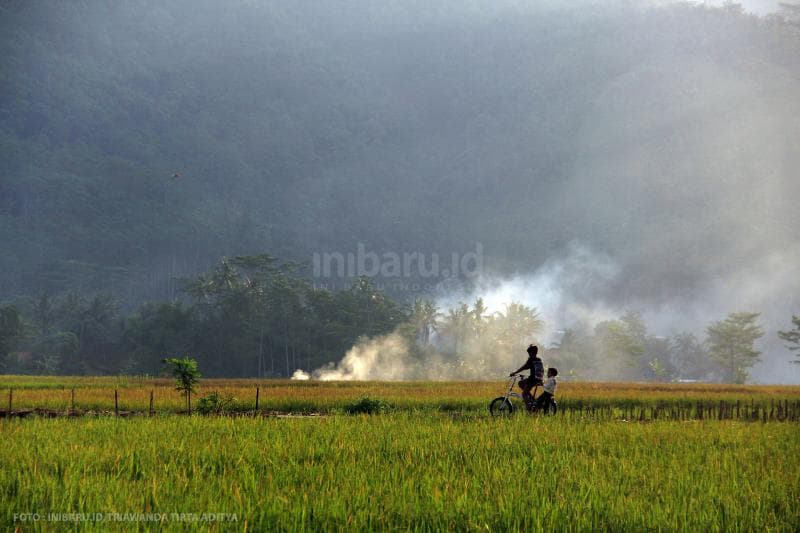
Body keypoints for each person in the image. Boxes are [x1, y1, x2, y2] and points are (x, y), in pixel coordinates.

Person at [510, 344, 544, 412]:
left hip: (533, 379)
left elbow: (524, 367)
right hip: (539, 379)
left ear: (531, 352)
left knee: (524, 394)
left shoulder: (531, 359)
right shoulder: (538, 359)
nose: (528, 354)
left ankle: (529, 408)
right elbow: (533, 369)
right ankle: (532, 399)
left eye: (529, 353)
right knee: (521, 383)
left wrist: (514, 373)